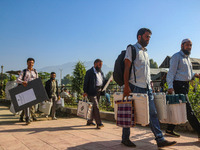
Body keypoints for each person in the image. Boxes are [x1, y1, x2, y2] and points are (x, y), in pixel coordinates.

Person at [123, 28, 176, 148]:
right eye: (147, 37)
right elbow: (127, 68)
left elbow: (146, 71)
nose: (148, 40)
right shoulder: (132, 49)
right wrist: (126, 86)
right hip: (135, 87)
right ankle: (125, 138)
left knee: (153, 113)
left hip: (147, 87)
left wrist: (150, 82)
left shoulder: (146, 52)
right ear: (139, 37)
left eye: (149, 37)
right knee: (129, 113)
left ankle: (160, 139)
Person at [166, 38, 200, 141]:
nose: (189, 47)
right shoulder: (176, 57)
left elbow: (187, 73)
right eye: (187, 45)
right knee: (189, 110)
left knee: (179, 108)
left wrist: (195, 74)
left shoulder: (187, 58)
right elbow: (171, 73)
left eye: (190, 45)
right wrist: (170, 87)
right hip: (178, 86)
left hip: (185, 86)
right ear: (182, 46)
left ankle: (169, 130)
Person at [83, 59, 106, 129]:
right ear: (95, 64)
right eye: (99, 65)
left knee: (93, 107)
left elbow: (103, 80)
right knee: (96, 107)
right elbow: (86, 82)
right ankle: (99, 123)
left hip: (99, 91)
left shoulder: (101, 72)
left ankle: (89, 121)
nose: (100, 66)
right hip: (92, 92)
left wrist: (108, 81)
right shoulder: (89, 72)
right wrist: (85, 91)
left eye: (101, 65)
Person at [17, 58, 38, 125]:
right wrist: (23, 82)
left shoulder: (35, 71)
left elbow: (37, 81)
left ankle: (21, 116)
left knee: (29, 104)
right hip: (25, 89)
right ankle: (27, 118)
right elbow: (17, 80)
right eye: (29, 62)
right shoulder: (24, 71)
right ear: (27, 63)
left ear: (33, 63)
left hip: (32, 90)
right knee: (27, 104)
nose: (30, 64)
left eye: (32, 63)